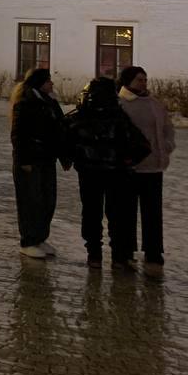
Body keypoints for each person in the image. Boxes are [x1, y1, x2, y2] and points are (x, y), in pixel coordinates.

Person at [65, 77, 149, 271]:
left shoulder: (79, 117)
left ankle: (94, 254)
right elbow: (142, 146)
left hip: (90, 173)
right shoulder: (119, 118)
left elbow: (65, 141)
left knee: (92, 214)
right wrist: (127, 161)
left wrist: (72, 158)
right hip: (115, 173)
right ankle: (117, 256)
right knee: (115, 215)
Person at [117, 66, 176, 277]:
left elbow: (167, 128)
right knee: (128, 212)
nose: (143, 83)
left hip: (154, 167)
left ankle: (153, 252)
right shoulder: (121, 104)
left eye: (145, 79)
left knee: (153, 213)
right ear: (128, 81)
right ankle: (126, 252)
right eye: (139, 80)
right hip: (132, 168)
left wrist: (167, 145)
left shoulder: (155, 104)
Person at [9, 67, 65, 259]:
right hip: (30, 161)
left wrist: (65, 156)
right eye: (48, 80)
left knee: (47, 200)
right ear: (40, 83)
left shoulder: (49, 102)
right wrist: (23, 160)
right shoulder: (26, 103)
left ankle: (40, 237)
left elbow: (59, 129)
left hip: (46, 159)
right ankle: (28, 240)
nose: (52, 83)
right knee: (30, 201)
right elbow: (18, 134)